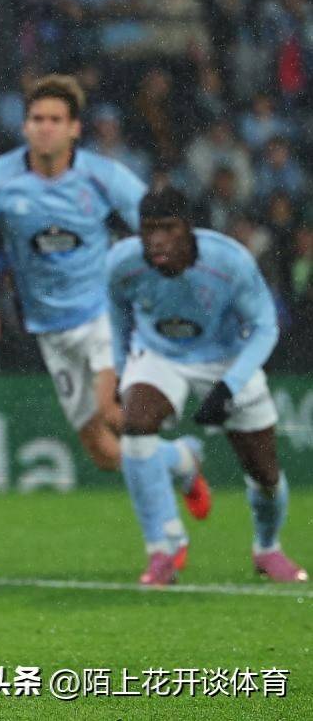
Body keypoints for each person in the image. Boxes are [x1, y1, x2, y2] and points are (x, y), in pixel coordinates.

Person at [0, 75, 208, 521]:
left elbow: (158, 227)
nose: (44, 127)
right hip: (50, 328)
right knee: (103, 452)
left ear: (74, 129)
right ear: (25, 126)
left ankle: (165, 536)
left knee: (112, 411)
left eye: (55, 119)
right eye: (36, 119)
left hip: (104, 314)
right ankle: (182, 459)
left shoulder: (104, 177)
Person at [107, 188, 307, 586]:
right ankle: (162, 550)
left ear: (188, 229)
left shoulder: (229, 262)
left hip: (227, 359)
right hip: (160, 353)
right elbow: (117, 315)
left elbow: (265, 326)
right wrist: (120, 371)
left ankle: (267, 549)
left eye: (167, 229)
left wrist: (229, 386)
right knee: (135, 425)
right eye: (148, 230)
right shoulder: (122, 263)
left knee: (265, 474)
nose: (157, 240)